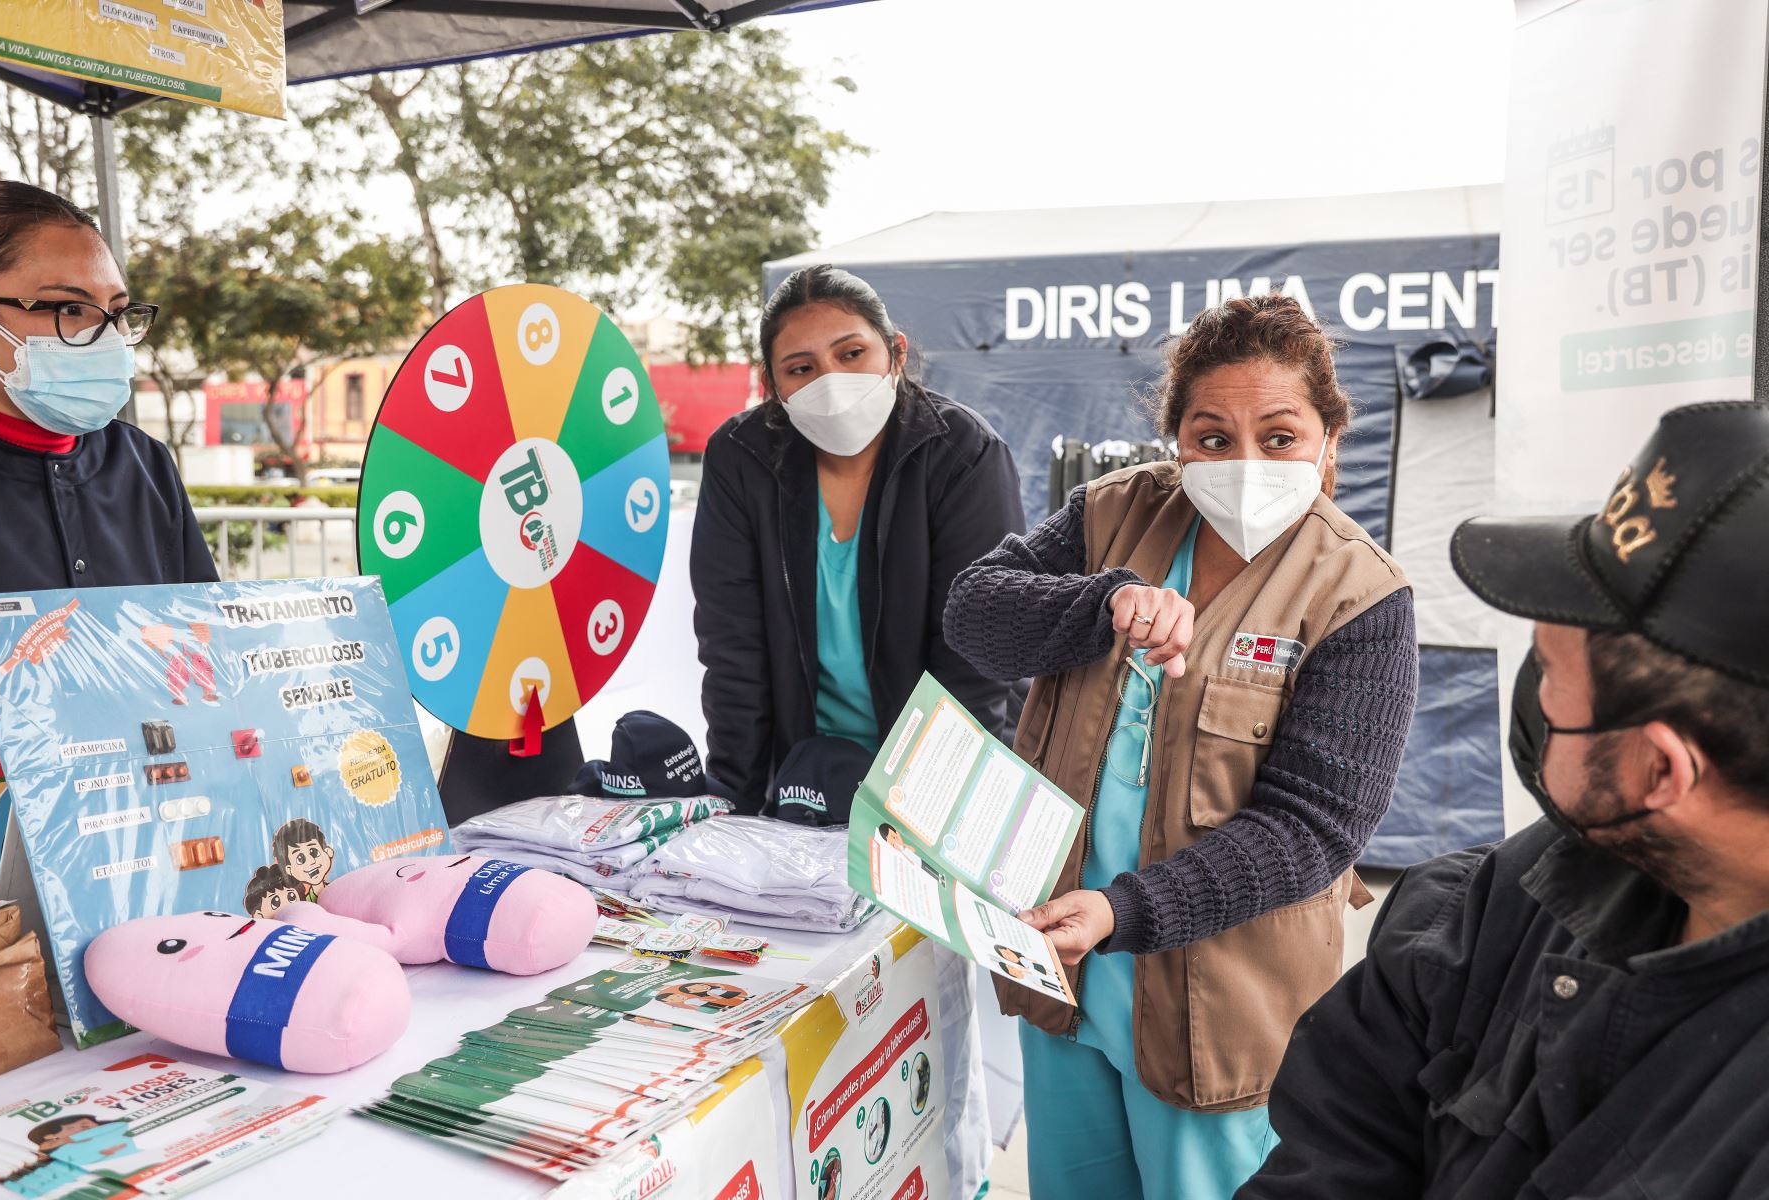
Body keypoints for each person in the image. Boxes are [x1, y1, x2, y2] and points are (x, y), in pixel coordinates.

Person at [945, 294, 1419, 1200]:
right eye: (1212, 437)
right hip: (1067, 977)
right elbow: (974, 612)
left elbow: (1312, 830)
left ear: (1328, 442)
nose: (1245, 463)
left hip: (1219, 1005)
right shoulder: (1113, 517)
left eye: (1279, 437)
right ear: (1177, 443)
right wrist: (1102, 603)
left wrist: (1123, 911)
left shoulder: (1361, 595)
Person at [1238, 400, 1769, 1199]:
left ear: (1661, 772)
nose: (1532, 695)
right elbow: (1337, 1139)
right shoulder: (1499, 903)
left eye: (1551, 673)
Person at [692, 265, 1025, 812]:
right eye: (801, 368)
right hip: (807, 771)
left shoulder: (963, 452)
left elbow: (976, 654)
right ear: (773, 385)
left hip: (947, 773)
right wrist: (734, 802)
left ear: (894, 352)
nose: (830, 382)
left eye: (851, 354)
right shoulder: (740, 457)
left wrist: (933, 812)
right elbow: (733, 647)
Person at [0, 180, 216, 705]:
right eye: (69, 310)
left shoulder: (142, 462)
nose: (104, 338)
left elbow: (200, 642)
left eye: (117, 312)